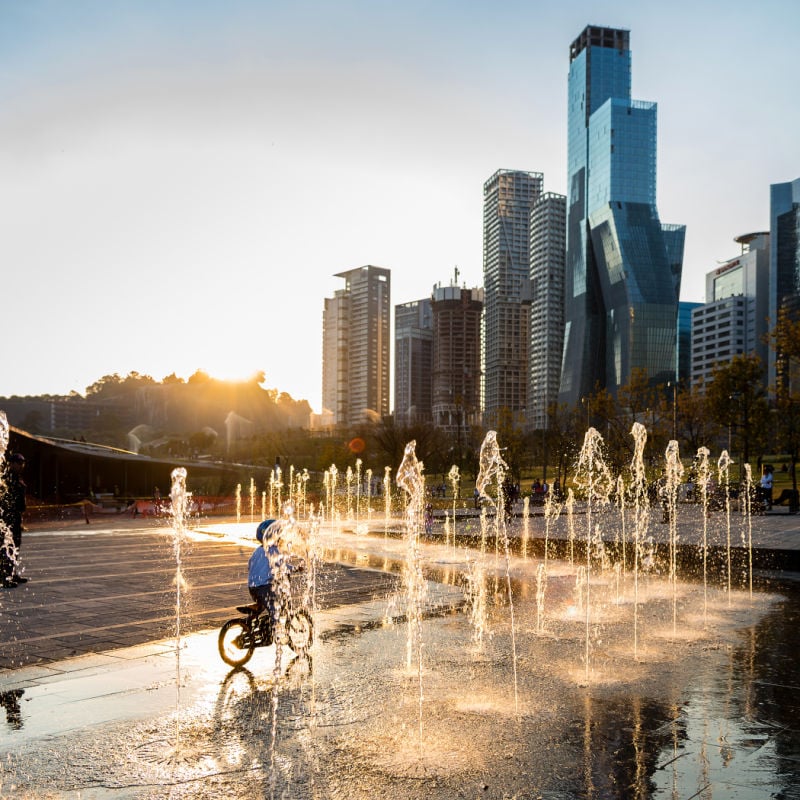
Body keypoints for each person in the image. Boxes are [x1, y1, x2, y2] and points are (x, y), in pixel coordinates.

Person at [248, 519, 302, 625]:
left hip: (252, 588)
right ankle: (275, 635)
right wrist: (296, 568)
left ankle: (248, 623)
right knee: (275, 611)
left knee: (268, 602)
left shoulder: (257, 551)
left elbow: (250, 566)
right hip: (264, 588)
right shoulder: (274, 550)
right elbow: (283, 566)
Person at [1, 453, 27, 587]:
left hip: (15, 517)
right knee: (7, 547)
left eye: (22, 463)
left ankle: (12, 573)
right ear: (11, 463)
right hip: (7, 518)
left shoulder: (17, 477)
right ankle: (5, 577)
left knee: (15, 546)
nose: (21, 465)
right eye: (18, 463)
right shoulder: (6, 478)